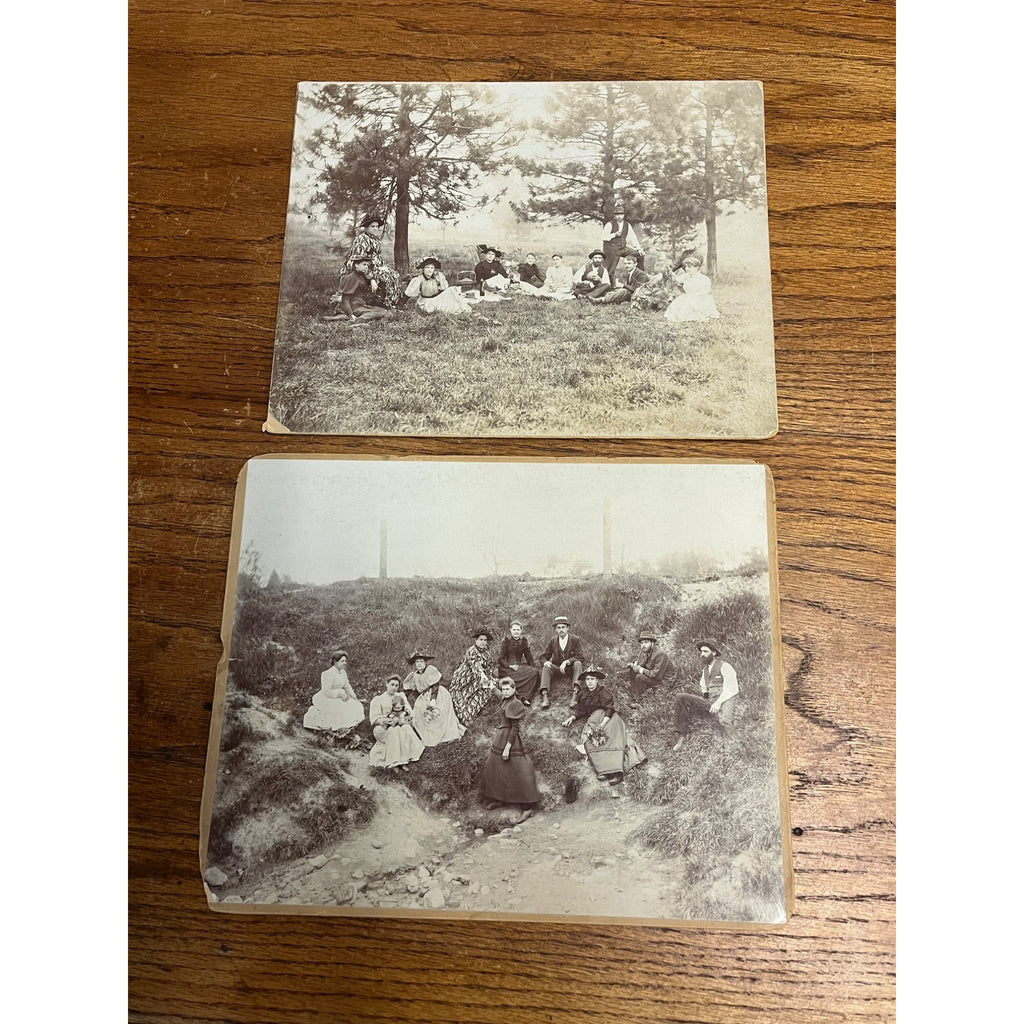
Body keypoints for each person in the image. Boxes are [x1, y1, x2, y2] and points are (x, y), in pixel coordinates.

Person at [561, 666, 645, 795]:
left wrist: (602, 724)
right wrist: (572, 718)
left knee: (611, 738)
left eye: (592, 679)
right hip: (594, 718)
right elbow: (582, 711)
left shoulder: (603, 691)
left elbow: (610, 709)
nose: (590, 682)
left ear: (597, 680)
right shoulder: (583, 693)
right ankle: (605, 771)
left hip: (609, 718)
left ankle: (617, 772)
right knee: (592, 740)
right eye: (587, 679)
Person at [478, 677, 540, 822]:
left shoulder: (516, 704)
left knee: (519, 770)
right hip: (500, 736)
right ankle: (500, 799)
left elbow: (515, 728)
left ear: (514, 689)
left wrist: (507, 747)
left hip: (510, 739)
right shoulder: (505, 698)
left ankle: (528, 807)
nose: (505, 691)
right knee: (497, 768)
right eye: (503, 689)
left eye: (507, 689)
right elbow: (499, 694)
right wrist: (490, 686)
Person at [672, 639, 739, 750]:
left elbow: (731, 689)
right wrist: (704, 698)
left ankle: (733, 747)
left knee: (725, 723)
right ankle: (682, 735)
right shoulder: (705, 670)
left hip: (725, 701)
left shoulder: (725, 667)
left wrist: (718, 703)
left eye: (705, 651)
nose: (702, 654)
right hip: (711, 703)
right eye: (701, 652)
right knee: (680, 697)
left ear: (714, 653)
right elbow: (704, 687)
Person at [404, 651, 465, 746]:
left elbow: (435, 686)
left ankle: (447, 733)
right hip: (424, 696)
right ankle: (426, 734)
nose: (419, 664)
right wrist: (402, 698)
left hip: (437, 693)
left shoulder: (430, 670)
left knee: (438, 709)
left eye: (421, 661)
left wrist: (432, 700)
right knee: (420, 709)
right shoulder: (414, 675)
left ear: (425, 662)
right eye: (417, 662)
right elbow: (409, 691)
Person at [344, 213, 402, 309]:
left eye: (377, 226)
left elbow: (376, 257)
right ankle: (388, 304)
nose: (376, 229)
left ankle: (393, 302)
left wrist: (382, 267)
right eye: (372, 226)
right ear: (366, 228)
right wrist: (371, 277)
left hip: (375, 267)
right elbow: (360, 261)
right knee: (388, 276)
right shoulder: (362, 239)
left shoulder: (374, 239)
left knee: (393, 274)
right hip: (363, 269)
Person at [368, 676, 424, 771]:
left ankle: (404, 761)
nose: (394, 687)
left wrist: (403, 717)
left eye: (397, 685)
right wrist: (386, 720)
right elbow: (374, 719)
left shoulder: (400, 696)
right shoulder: (378, 699)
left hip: (400, 723)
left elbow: (409, 711)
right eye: (392, 685)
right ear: (386, 684)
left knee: (405, 729)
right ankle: (394, 762)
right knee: (395, 732)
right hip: (386, 725)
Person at [303, 650, 365, 732]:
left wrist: (353, 696)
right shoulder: (327, 674)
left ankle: (350, 726)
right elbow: (326, 691)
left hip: (341, 695)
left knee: (356, 705)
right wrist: (340, 694)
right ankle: (338, 729)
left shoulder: (343, 672)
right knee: (339, 710)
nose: (344, 663)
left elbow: (346, 685)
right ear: (335, 662)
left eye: (345, 661)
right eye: (342, 661)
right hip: (328, 697)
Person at [449, 628, 501, 725]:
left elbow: (488, 667)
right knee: (462, 699)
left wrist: (491, 680)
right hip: (464, 681)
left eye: (485, 640)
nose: (483, 642)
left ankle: (471, 712)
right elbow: (478, 670)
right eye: (481, 639)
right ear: (476, 640)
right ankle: (465, 716)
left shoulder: (486, 651)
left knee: (486, 691)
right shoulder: (472, 651)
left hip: (478, 679)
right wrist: (493, 687)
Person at [538, 615, 585, 709]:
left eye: (563, 627)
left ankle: (575, 694)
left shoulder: (575, 640)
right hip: (557, 668)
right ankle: (545, 695)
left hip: (571, 669)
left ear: (568, 628)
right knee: (546, 667)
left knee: (578, 663)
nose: (561, 630)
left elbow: (580, 656)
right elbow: (543, 656)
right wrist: (545, 662)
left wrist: (567, 661)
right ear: (555, 629)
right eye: (558, 628)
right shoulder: (553, 641)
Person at [327, 256, 391, 324]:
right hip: (353, 307)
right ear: (356, 265)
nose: (366, 267)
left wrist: (372, 280)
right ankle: (358, 321)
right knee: (382, 312)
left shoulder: (361, 275)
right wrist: (350, 314)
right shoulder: (351, 278)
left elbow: (368, 278)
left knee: (384, 311)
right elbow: (345, 299)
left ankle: (351, 317)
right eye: (364, 264)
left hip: (361, 305)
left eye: (367, 265)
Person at [404, 257, 474, 314]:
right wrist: (402, 302)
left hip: (436, 299)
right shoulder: (419, 279)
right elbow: (409, 292)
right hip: (426, 303)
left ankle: (462, 307)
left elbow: (444, 288)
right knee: (442, 307)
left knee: (452, 290)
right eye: (427, 267)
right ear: (423, 269)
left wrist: (439, 280)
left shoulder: (437, 277)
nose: (429, 270)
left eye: (432, 268)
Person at [664, 255, 720, 323]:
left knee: (692, 307)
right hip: (687, 297)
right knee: (679, 307)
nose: (687, 269)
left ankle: (700, 316)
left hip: (699, 298)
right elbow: (677, 280)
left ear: (697, 268)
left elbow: (704, 291)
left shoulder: (703, 279)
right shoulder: (686, 276)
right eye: (686, 266)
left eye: (689, 267)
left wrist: (696, 297)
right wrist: (671, 274)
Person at [497, 620, 541, 704]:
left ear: (521, 630)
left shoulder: (523, 641)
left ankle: (525, 697)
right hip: (507, 668)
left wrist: (533, 669)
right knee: (512, 678)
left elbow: (528, 656)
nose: (516, 632)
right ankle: (519, 696)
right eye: (514, 630)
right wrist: (510, 666)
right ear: (510, 630)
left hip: (519, 666)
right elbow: (500, 659)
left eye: (518, 630)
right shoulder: (506, 641)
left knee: (534, 672)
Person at [601, 206, 644, 281]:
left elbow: (633, 237)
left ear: (624, 215)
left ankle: (640, 278)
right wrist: (614, 234)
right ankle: (608, 286)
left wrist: (639, 248)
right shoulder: (610, 224)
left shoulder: (627, 225)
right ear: (614, 215)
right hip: (612, 248)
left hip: (622, 248)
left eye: (621, 214)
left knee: (639, 255)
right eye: (617, 214)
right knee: (611, 269)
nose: (619, 216)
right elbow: (603, 237)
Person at [626, 631, 673, 699]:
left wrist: (640, 669)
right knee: (633, 671)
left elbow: (656, 675)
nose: (643, 645)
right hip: (655, 678)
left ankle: (639, 701)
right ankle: (635, 694)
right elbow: (645, 665)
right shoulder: (649, 652)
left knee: (639, 677)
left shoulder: (660, 654)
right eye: (642, 643)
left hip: (664, 681)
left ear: (652, 643)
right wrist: (633, 666)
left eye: (646, 642)